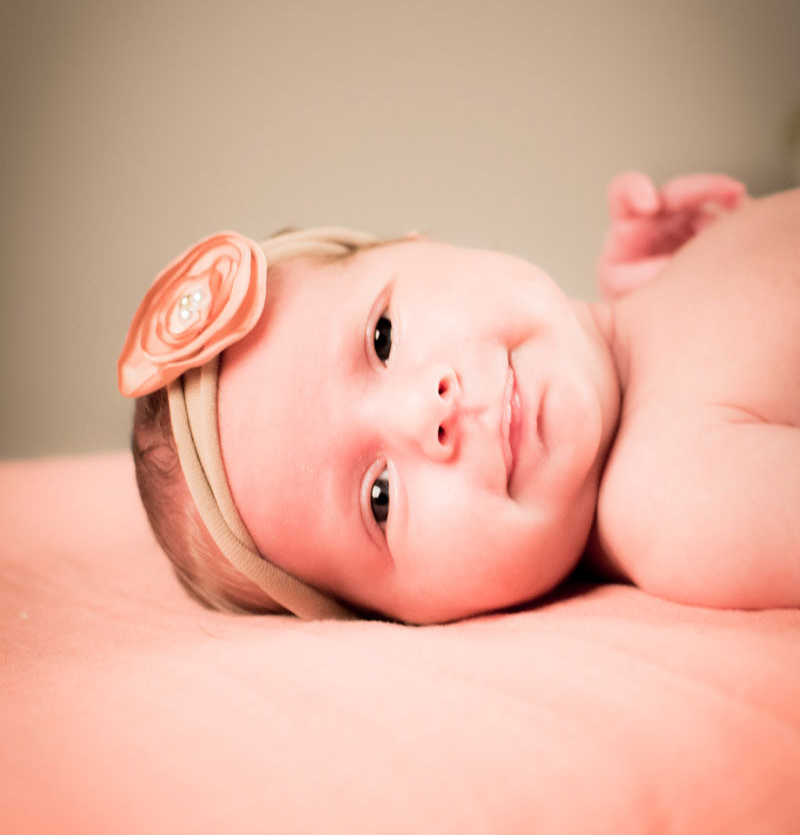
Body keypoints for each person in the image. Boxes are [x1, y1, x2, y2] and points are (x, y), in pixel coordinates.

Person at [118, 172, 800, 622]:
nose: (426, 413)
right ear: (401, 618)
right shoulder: (674, 498)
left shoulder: (638, 328)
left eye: (382, 338)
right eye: (379, 498)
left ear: (422, 244)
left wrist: (679, 276)